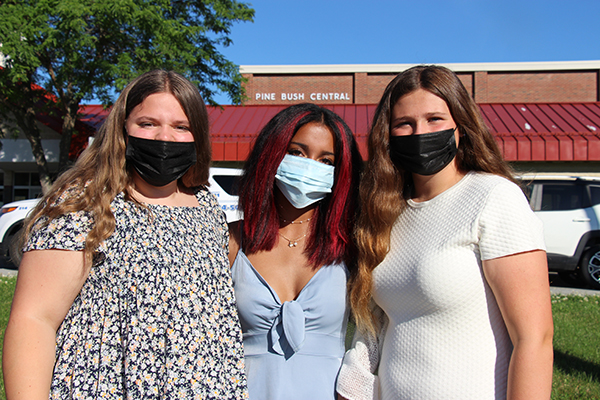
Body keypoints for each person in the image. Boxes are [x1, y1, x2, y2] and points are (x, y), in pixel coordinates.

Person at [3, 70, 248, 399]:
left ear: (198, 136)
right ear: (122, 129)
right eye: (147, 123)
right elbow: (35, 320)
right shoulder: (82, 204)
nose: (164, 138)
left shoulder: (206, 207)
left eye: (181, 127)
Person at [336, 65, 554, 400]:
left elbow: (534, 339)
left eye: (434, 119)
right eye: (404, 124)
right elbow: (377, 325)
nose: (419, 132)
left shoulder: (494, 197)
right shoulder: (385, 213)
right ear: (388, 134)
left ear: (461, 127)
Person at [228, 103, 362, 400]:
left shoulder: (353, 248)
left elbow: (375, 336)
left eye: (326, 161)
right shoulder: (232, 241)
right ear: (271, 155)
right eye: (297, 153)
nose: (310, 166)